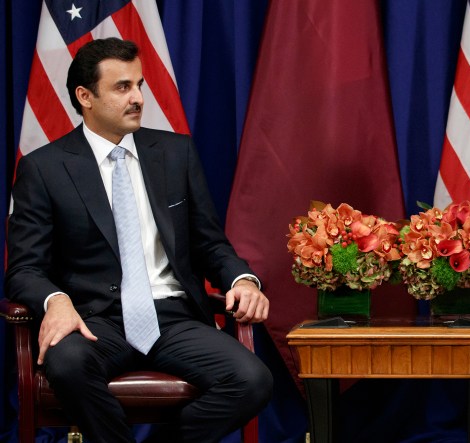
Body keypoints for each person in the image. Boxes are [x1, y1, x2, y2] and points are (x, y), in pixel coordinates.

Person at [4, 38, 273, 443]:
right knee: (67, 364)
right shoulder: (45, 169)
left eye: (140, 85)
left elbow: (210, 244)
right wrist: (55, 300)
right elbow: (24, 268)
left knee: (252, 379)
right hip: (95, 320)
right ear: (85, 96)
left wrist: (242, 280)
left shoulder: (175, 153)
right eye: (122, 87)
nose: (138, 98)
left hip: (172, 317)